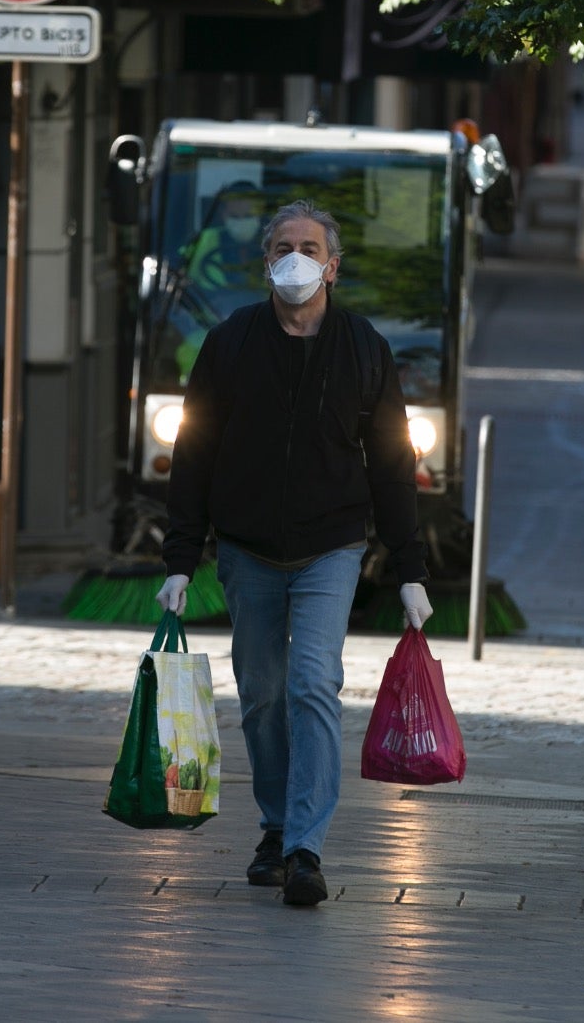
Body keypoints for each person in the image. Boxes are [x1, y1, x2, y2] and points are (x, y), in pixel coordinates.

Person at [155, 200, 432, 907]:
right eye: (283, 246)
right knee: (262, 697)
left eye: (309, 247)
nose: (296, 258)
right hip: (247, 550)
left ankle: (306, 846)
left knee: (312, 683)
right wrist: (179, 560)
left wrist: (411, 568)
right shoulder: (231, 344)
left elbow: (393, 464)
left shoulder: (365, 349)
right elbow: (193, 453)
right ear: (266, 261)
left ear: (333, 265)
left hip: (329, 548)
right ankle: (276, 828)